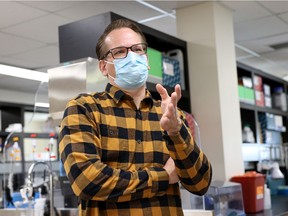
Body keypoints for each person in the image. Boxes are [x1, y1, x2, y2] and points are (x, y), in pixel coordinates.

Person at [59, 18, 212, 216]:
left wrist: (176, 131)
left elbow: (201, 183)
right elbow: (88, 181)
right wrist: (165, 176)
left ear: (146, 59)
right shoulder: (84, 109)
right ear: (104, 67)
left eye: (138, 49)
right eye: (120, 51)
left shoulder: (170, 114)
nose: (132, 56)